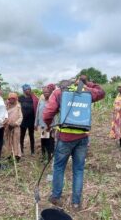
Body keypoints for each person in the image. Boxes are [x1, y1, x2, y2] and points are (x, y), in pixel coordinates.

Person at [43, 76, 105, 210]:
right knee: (78, 169)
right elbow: (101, 92)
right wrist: (87, 83)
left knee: (59, 167)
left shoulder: (59, 92)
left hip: (64, 137)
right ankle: (76, 203)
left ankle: (56, 196)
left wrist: (48, 125)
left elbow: (47, 114)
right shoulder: (86, 91)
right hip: (82, 136)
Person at [35, 86, 55, 162]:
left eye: (47, 92)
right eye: (44, 92)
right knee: (43, 140)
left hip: (50, 126)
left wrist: (52, 125)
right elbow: (37, 112)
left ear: (50, 93)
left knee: (50, 141)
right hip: (43, 126)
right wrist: (36, 123)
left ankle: (50, 156)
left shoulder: (53, 101)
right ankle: (44, 156)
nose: (45, 93)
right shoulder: (41, 100)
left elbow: (55, 114)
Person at [19, 84, 38, 155]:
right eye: (27, 89)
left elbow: (38, 106)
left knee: (31, 136)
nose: (28, 91)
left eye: (29, 89)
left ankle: (32, 151)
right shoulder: (20, 98)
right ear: (24, 90)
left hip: (31, 120)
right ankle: (21, 150)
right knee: (22, 136)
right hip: (23, 120)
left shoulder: (33, 98)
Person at [3, 93, 23, 161]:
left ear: (16, 99)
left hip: (15, 127)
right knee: (8, 141)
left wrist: (15, 124)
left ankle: (17, 156)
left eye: (13, 99)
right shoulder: (5, 106)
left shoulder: (18, 106)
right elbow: (3, 116)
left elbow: (21, 117)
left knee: (16, 141)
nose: (11, 100)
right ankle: (9, 156)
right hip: (7, 127)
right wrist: (7, 124)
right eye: (10, 99)